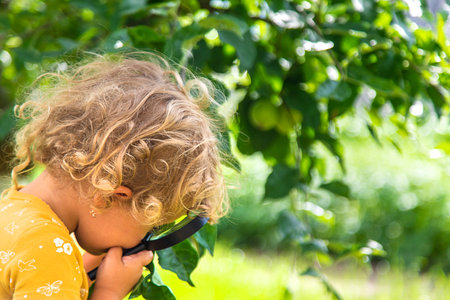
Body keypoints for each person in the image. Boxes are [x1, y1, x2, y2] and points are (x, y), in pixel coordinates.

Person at [0, 52, 227, 299]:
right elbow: (44, 268)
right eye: (150, 226)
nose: (142, 241)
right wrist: (109, 292)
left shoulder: (11, 210)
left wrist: (77, 272)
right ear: (111, 194)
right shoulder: (49, 256)